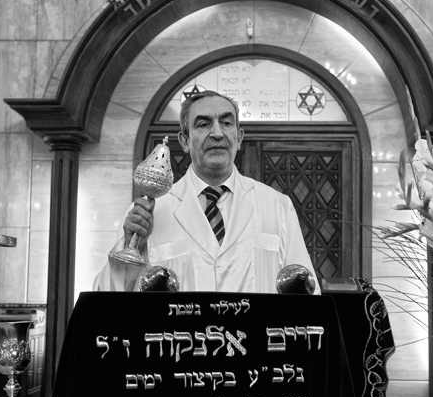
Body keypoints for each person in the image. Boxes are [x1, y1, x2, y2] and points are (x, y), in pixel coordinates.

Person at [93, 90, 320, 293]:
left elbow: (307, 292)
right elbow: (107, 299)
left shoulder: (276, 205)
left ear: (239, 138)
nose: (217, 133)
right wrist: (131, 247)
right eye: (203, 124)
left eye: (227, 123)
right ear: (184, 140)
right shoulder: (150, 211)